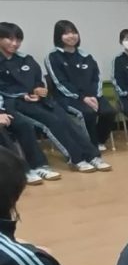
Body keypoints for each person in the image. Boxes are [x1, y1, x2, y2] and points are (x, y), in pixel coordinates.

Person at [0, 22, 105, 173]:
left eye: (18, 39)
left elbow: (37, 80)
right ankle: (76, 159)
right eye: (9, 39)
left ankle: (92, 155)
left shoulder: (26, 59)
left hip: (38, 100)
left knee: (66, 119)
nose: (15, 43)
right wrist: (23, 94)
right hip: (14, 103)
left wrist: (38, 89)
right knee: (52, 122)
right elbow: (3, 87)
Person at [45, 20, 117, 152]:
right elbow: (60, 83)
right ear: (58, 36)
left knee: (109, 112)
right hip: (68, 97)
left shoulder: (86, 56)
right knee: (88, 113)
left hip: (92, 95)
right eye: (66, 33)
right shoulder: (53, 57)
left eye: (73, 32)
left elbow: (96, 77)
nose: (71, 36)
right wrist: (82, 97)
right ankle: (91, 147)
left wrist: (95, 96)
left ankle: (99, 140)